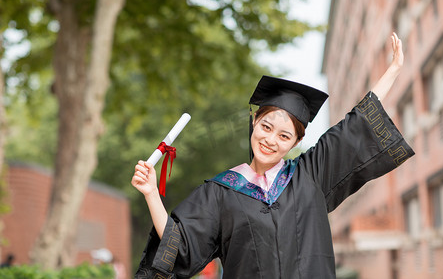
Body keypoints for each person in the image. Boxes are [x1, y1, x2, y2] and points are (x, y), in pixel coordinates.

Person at [132, 33, 414, 278]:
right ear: (254, 121)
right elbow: (179, 246)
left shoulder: (310, 175)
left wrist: (394, 70)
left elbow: (355, 126)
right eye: (266, 127)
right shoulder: (220, 192)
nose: (270, 140)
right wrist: (151, 193)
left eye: (284, 135)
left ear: (296, 142)